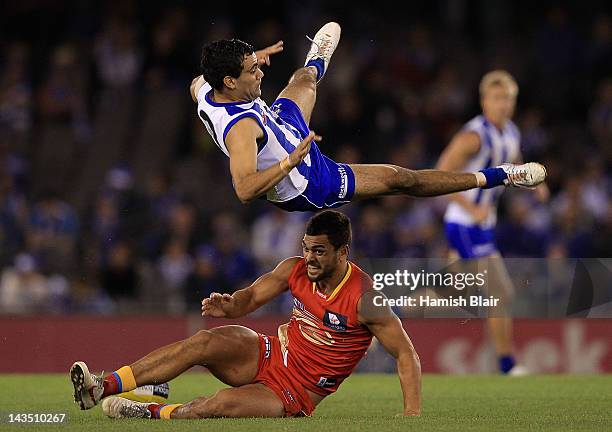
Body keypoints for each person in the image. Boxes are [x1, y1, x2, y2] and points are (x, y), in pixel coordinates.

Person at [70, 210, 422, 418]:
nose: (309, 258)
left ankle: (150, 410)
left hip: (294, 392)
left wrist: (411, 415)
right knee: (204, 342)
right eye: (305, 248)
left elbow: (406, 353)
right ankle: (102, 386)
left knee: (218, 405)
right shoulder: (294, 269)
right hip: (270, 353)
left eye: (319, 251)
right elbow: (252, 296)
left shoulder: (366, 297)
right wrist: (232, 305)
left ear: (342, 252)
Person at [190, 22, 546, 212]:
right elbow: (244, 190)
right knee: (400, 178)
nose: (261, 73)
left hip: (279, 126)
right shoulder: (241, 131)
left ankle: (317, 59)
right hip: (307, 179)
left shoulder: (205, 89)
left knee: (303, 78)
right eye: (253, 71)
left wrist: (249, 59)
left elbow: (197, 82)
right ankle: (501, 176)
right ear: (230, 81)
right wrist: (288, 163)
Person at [435, 70, 549, 374]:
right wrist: (470, 209)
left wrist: (535, 183)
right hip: (464, 224)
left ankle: (393, 309)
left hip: (483, 225)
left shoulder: (511, 132)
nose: (503, 105)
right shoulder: (473, 137)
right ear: (484, 101)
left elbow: (514, 165)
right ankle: (508, 364)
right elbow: (439, 175)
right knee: (501, 291)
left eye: (508, 99)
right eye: (497, 98)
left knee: (452, 292)